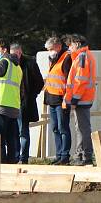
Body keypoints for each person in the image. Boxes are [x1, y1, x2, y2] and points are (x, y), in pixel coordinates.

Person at [65, 34, 97, 165]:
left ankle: (85, 156)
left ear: (77, 44)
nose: (69, 48)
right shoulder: (84, 56)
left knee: (82, 128)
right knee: (82, 127)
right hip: (84, 98)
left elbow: (80, 81)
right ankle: (82, 155)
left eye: (70, 45)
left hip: (82, 99)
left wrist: (74, 100)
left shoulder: (82, 57)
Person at [10, 42, 44, 164]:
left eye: (16, 54)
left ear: (20, 52)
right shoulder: (9, 64)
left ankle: (23, 158)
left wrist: (32, 95)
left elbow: (39, 82)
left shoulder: (30, 63)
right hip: (11, 102)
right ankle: (14, 156)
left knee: (23, 131)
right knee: (14, 132)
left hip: (24, 102)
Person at [43, 35, 73, 164]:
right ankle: (59, 154)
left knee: (63, 128)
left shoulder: (66, 57)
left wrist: (67, 98)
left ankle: (65, 155)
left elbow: (69, 80)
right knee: (55, 128)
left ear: (58, 46)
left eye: (51, 49)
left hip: (61, 99)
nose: (49, 51)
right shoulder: (53, 59)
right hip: (52, 99)